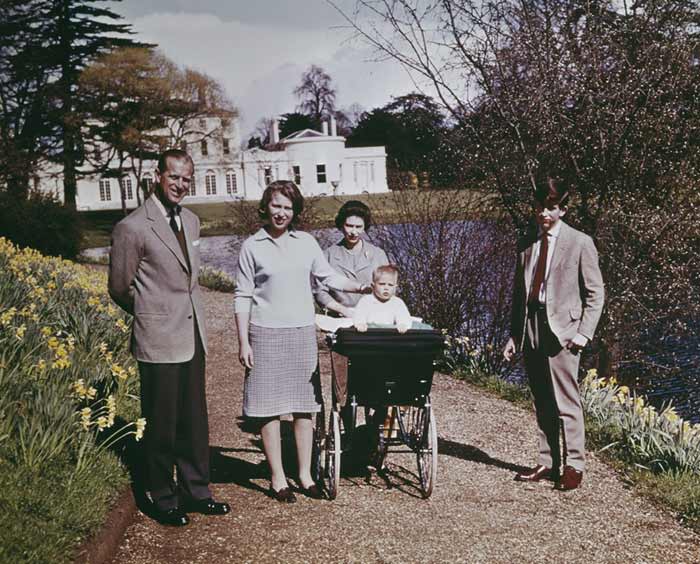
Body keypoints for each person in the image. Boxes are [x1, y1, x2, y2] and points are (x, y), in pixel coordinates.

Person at [108, 149, 230, 526]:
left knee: (194, 419)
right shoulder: (132, 227)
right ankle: (161, 495)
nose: (180, 184)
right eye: (174, 177)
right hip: (158, 336)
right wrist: (152, 314)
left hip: (192, 335)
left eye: (186, 179)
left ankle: (197, 490)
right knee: (161, 421)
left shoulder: (191, 221)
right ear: (157, 176)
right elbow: (119, 288)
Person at [234, 181, 369, 503]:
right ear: (266, 207)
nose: (281, 213)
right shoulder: (252, 246)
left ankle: (305, 475)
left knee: (303, 408)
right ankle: (277, 477)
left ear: (295, 211)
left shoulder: (306, 242)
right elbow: (242, 296)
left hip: (300, 333)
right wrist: (243, 342)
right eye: (276, 206)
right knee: (268, 410)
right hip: (265, 334)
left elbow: (327, 277)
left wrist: (360, 289)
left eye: (287, 207)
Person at [503, 177, 604, 491]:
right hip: (531, 326)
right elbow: (519, 295)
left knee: (566, 402)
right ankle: (548, 462)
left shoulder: (580, 243)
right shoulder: (527, 242)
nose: (543, 214)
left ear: (563, 209)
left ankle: (575, 466)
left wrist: (583, 334)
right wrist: (514, 336)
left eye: (550, 208)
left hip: (563, 331)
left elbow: (595, 294)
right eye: (539, 207)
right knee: (542, 399)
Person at [315, 201, 389, 430]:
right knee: (343, 370)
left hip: (372, 320)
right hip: (342, 320)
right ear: (341, 225)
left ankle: (379, 415)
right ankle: (345, 418)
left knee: (382, 365)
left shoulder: (377, 254)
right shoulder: (328, 255)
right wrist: (343, 309)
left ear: (365, 227)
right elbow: (320, 292)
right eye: (349, 225)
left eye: (359, 226)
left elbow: (389, 287)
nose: (353, 231)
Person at [353, 265, 412, 333]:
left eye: (390, 285)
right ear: (373, 286)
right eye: (382, 284)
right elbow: (359, 315)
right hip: (370, 335)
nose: (386, 288)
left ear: (395, 287)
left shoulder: (397, 302)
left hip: (389, 336)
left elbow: (404, 317)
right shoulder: (366, 301)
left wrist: (403, 325)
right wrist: (360, 324)